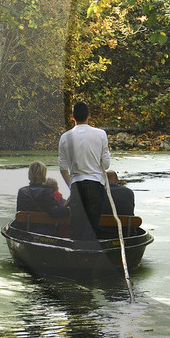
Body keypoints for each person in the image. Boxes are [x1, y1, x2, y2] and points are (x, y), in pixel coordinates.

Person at [58, 100, 110, 241]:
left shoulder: (65, 137)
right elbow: (106, 164)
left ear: (73, 118)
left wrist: (71, 186)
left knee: (76, 228)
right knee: (91, 227)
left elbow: (63, 168)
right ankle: (89, 257)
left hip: (76, 185)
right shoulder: (101, 134)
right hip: (95, 185)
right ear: (89, 116)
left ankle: (76, 257)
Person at [15, 161, 68, 234]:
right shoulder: (48, 191)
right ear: (44, 175)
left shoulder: (22, 191)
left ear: (29, 174)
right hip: (45, 231)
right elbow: (54, 213)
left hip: (25, 230)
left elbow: (19, 211)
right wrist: (69, 210)